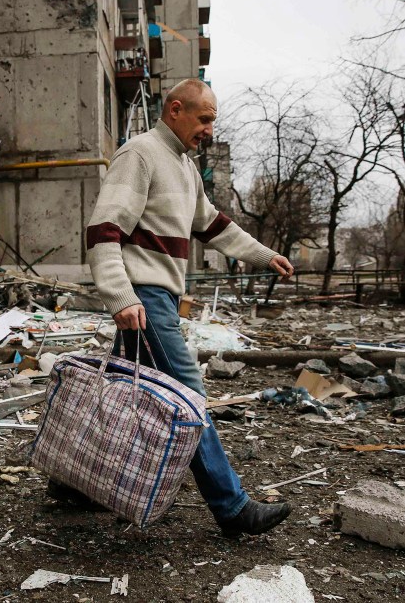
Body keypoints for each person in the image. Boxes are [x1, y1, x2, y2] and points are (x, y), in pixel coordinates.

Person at [84, 79, 295, 537]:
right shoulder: (139, 154)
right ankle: (232, 507)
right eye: (204, 119)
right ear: (175, 110)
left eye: (213, 120)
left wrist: (263, 254)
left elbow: (214, 226)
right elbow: (103, 228)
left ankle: (74, 485)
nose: (209, 130)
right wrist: (120, 295)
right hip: (145, 297)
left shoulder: (185, 167)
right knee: (187, 396)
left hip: (156, 299)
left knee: (127, 399)